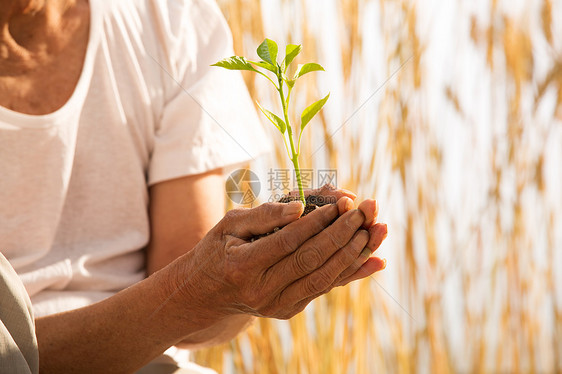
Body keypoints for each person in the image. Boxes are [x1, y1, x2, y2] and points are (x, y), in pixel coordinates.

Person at [0, 0, 388, 372]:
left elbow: (193, 310)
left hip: (146, 360)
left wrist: (244, 276)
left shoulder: (171, 21)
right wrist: (195, 290)